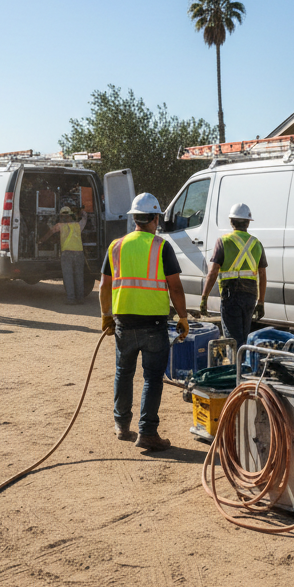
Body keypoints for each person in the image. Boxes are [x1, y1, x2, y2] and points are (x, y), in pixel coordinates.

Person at [99, 192, 189, 452]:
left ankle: (122, 425)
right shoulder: (162, 246)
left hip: (123, 323)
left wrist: (106, 315)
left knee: (123, 372)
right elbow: (175, 286)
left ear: (134, 218)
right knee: (152, 378)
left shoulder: (115, 246)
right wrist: (183, 317)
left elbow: (104, 285)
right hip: (154, 325)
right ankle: (147, 433)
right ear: (155, 218)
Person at [198, 202, 267, 350]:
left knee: (233, 340)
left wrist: (204, 298)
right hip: (250, 295)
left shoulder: (223, 242)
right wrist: (261, 302)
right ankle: (243, 368)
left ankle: (237, 371)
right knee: (243, 336)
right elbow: (262, 274)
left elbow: (213, 271)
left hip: (231, 296)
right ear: (248, 222)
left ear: (231, 221)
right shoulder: (257, 244)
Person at [39, 205, 89, 304]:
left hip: (67, 254)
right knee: (79, 276)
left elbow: (49, 232)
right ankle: (80, 298)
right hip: (79, 253)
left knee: (68, 276)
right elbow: (85, 218)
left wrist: (41, 241)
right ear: (70, 216)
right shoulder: (78, 225)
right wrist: (82, 212)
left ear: (61, 216)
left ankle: (71, 299)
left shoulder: (59, 226)